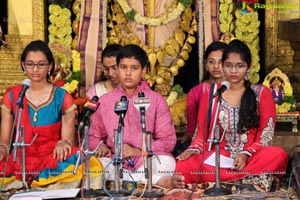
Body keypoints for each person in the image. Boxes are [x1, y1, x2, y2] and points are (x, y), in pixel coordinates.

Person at [175, 40, 288, 191]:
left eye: (239, 66)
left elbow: (266, 136)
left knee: (277, 154)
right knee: (184, 164)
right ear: (222, 67)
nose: (233, 71)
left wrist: (245, 154)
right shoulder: (212, 95)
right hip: (219, 157)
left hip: (251, 157)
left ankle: (224, 180)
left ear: (248, 67)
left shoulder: (261, 93)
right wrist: (194, 149)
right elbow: (201, 134)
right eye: (228, 65)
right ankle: (248, 180)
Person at [0, 40, 102, 189]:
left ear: (50, 66)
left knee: (88, 166)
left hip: (51, 158)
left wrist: (64, 143)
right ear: (23, 65)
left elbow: (68, 141)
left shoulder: (62, 97)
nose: (35, 69)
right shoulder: (13, 96)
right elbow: (4, 139)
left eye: (41, 64)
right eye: (30, 64)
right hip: (19, 160)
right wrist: (2, 148)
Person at [89, 44, 184, 189]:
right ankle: (155, 181)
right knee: (95, 166)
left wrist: (139, 151)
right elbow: (93, 136)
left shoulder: (156, 100)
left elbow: (168, 141)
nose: (128, 73)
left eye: (134, 68)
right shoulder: (106, 101)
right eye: (123, 67)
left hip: (147, 158)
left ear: (143, 71)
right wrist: (100, 146)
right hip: (116, 159)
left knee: (166, 163)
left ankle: (127, 182)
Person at [179, 41, 227, 145]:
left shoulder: (235, 89)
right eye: (211, 61)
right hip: (203, 143)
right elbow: (192, 129)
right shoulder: (195, 92)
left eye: (221, 62)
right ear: (205, 64)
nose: (216, 66)